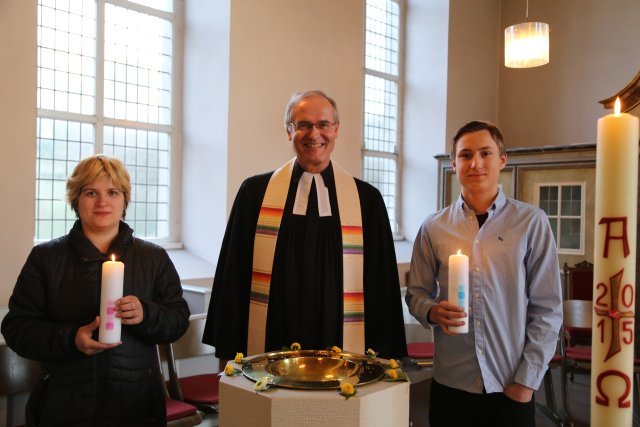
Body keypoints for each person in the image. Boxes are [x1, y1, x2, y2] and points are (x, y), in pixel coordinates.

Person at [203, 90, 407, 364]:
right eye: (303, 125)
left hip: (341, 341)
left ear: (336, 130)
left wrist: (382, 354)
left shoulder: (366, 200)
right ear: (289, 131)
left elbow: (380, 284)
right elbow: (234, 274)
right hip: (272, 338)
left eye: (323, 124)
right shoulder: (255, 194)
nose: (314, 134)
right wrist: (230, 347)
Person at [1, 154, 190, 426]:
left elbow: (178, 320)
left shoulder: (153, 258)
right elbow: (17, 328)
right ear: (76, 199)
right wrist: (71, 339)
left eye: (112, 192)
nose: (102, 202)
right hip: (66, 407)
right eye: (91, 192)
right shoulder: (46, 258)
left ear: (125, 199)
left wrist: (146, 314)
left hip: (137, 406)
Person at [405, 121, 563, 427]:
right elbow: (416, 294)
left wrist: (526, 383)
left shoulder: (531, 223)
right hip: (451, 384)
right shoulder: (433, 227)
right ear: (454, 163)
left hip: (509, 385)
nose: (475, 163)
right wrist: (433, 311)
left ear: (502, 160)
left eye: (485, 153)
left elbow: (548, 310)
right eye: (465, 155)